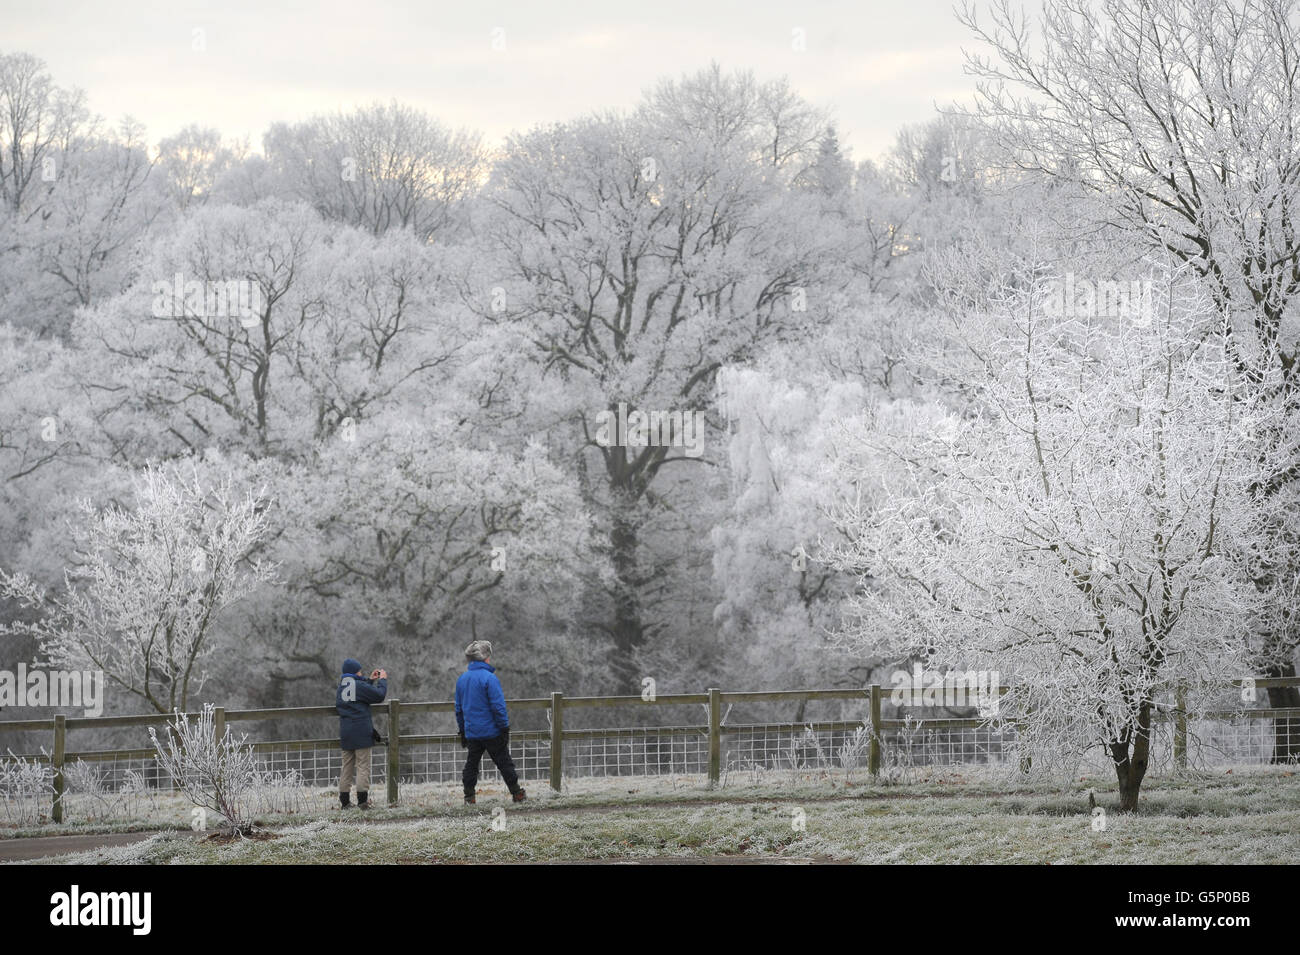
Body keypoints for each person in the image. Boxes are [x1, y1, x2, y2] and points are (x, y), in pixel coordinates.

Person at [455, 640, 526, 805]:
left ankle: (469, 796)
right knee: (504, 762)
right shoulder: (490, 678)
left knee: (471, 765)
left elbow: (459, 709)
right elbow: (498, 707)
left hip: (472, 731)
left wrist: (463, 730)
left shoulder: (462, 679)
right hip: (492, 731)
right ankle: (517, 793)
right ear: (486, 658)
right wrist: (504, 728)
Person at [336, 658, 387, 809]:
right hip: (362, 732)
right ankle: (363, 802)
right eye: (359, 671)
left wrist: (369, 680)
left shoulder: (341, 687)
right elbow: (379, 696)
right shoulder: (358, 686)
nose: (361, 673)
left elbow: (357, 693)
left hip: (346, 732)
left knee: (347, 767)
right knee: (363, 767)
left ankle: (345, 802)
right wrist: (382, 680)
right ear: (354, 672)